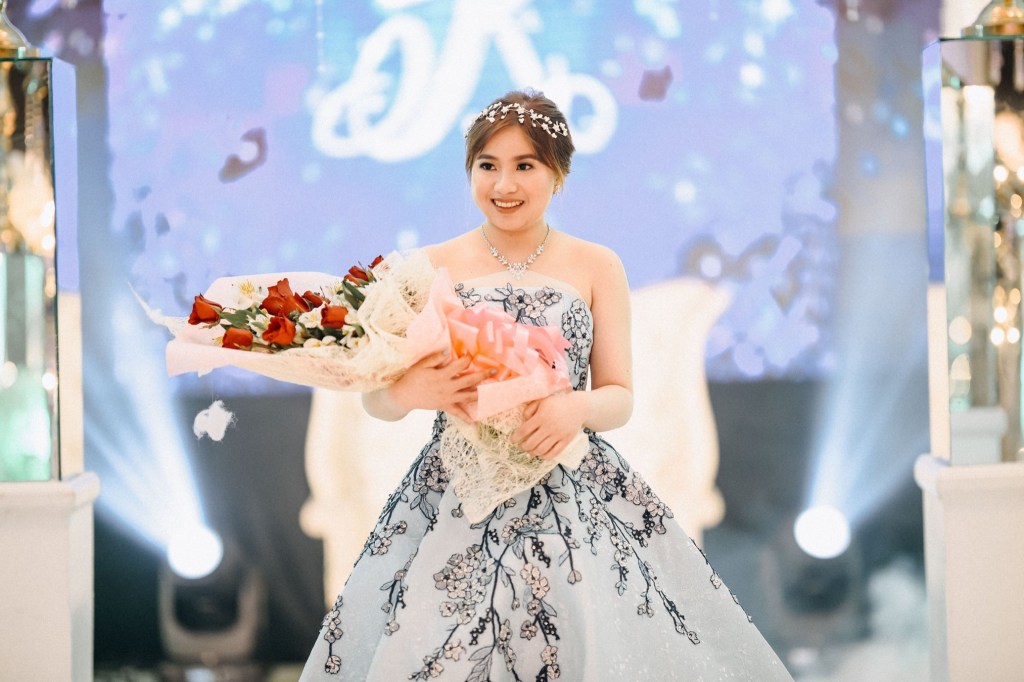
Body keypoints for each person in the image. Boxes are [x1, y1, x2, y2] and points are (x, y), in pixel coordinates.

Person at [299, 90, 793, 681]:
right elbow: (376, 399)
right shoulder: (427, 267)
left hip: (568, 487)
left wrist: (574, 408)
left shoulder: (597, 265)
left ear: (558, 173)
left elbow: (619, 397)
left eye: (525, 165)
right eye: (488, 165)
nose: (504, 184)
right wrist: (412, 393)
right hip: (456, 494)